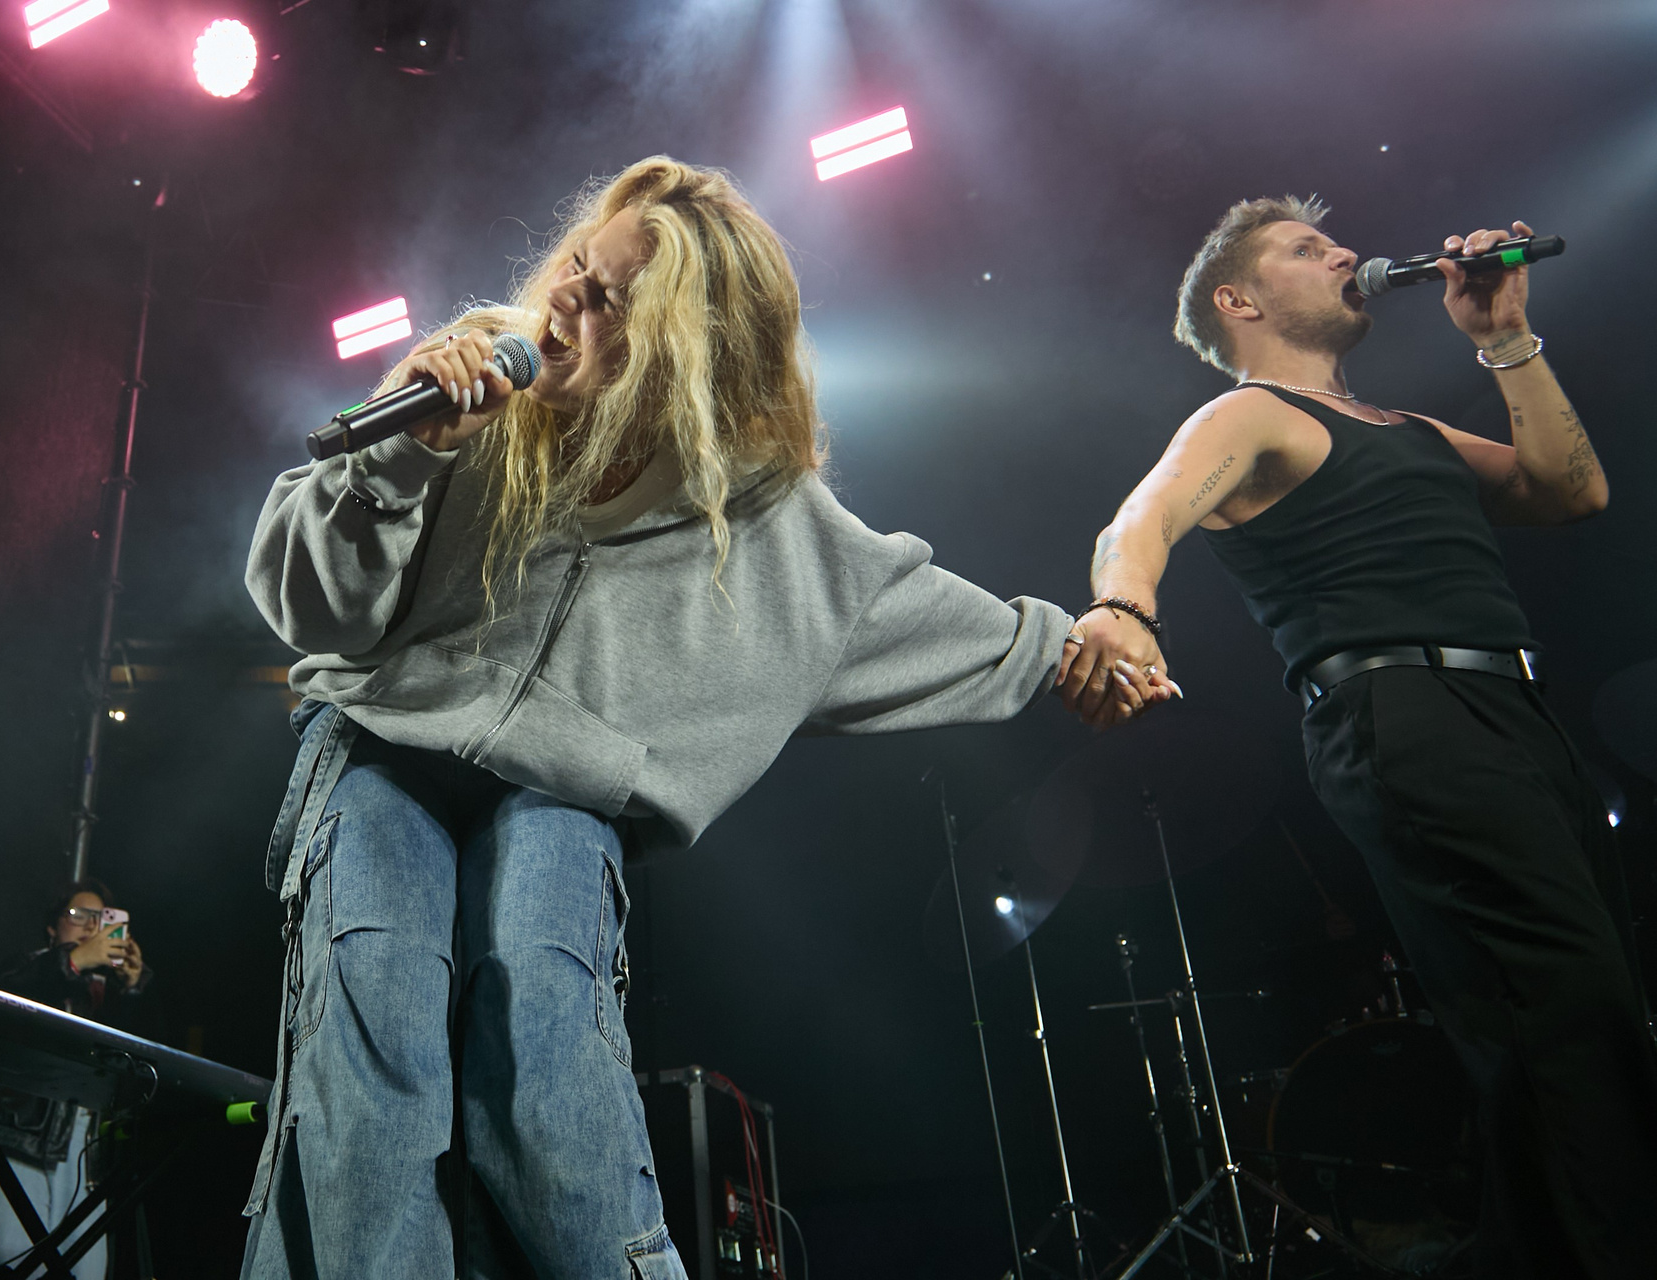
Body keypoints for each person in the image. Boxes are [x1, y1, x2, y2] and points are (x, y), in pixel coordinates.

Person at [241, 156, 1163, 1279]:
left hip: (562, 789)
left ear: (686, 354)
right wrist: (406, 451)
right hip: (382, 745)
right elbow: (311, 609)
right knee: (374, 1015)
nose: (564, 300)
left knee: (544, 1040)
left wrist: (1079, 646)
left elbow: (918, 610)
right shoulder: (472, 380)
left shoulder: (762, 516)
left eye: (609, 300)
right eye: (576, 267)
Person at [1065, 196, 1657, 1277]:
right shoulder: (1249, 416)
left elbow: (1570, 491)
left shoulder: (1410, 430)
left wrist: (1505, 339)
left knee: (1569, 1014)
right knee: (1571, 1012)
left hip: (1514, 711)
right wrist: (1123, 609)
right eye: (1306, 248)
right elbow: (1140, 518)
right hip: (1404, 711)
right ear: (1239, 302)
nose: (1344, 252)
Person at [0, 879, 151, 1279]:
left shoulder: (110, 993)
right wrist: (73, 961)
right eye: (78, 915)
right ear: (52, 927)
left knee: (87, 1270)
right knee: (5, 1261)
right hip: (17, 1142)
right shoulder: (27, 967)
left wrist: (134, 988)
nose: (90, 926)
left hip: (85, 1156)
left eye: (101, 919)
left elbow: (143, 1067)